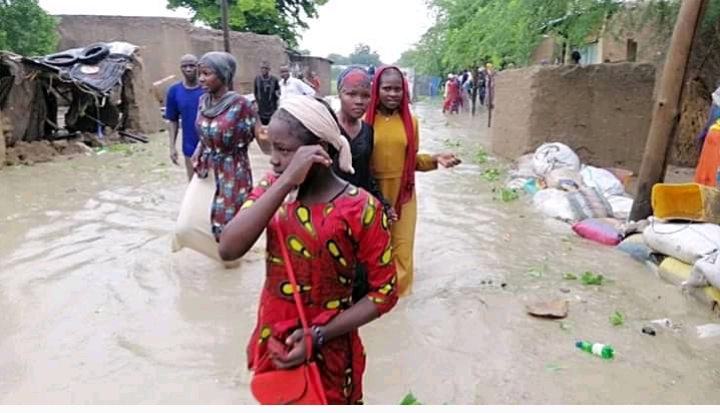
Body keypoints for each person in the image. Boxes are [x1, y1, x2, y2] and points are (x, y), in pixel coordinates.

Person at [218, 95, 399, 405]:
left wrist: (319, 336)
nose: (273, 159)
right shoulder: (273, 190)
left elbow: (385, 293)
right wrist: (287, 180)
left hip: (329, 339)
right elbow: (228, 249)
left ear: (321, 149)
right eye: (272, 147)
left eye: (284, 150)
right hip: (275, 336)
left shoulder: (361, 208)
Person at [367, 66, 461, 296]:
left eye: (397, 89)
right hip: (371, 193)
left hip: (404, 193)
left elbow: (411, 162)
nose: (392, 94)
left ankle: (398, 299)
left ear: (404, 91)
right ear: (377, 90)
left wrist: (436, 159)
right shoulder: (364, 121)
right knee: (374, 248)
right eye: (387, 88)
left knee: (402, 246)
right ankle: (372, 296)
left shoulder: (412, 122)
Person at [333, 66, 396, 302]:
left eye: (365, 95)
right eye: (351, 94)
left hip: (358, 213)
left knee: (361, 277)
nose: (359, 101)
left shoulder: (368, 131)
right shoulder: (325, 128)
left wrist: (384, 205)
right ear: (339, 93)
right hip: (329, 214)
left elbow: (366, 176)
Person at [192, 51, 269, 241]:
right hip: (207, 169)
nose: (200, 79)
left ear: (223, 74)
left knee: (228, 224)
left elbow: (262, 139)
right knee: (200, 221)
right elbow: (204, 133)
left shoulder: (242, 104)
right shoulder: (203, 102)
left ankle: (233, 263)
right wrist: (198, 152)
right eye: (199, 73)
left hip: (233, 171)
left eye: (206, 74)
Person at [166, 54, 204, 181]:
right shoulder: (174, 91)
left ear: (198, 67)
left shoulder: (207, 89)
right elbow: (172, 120)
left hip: (210, 144)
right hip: (189, 145)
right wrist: (172, 146)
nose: (188, 69)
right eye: (184, 66)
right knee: (193, 183)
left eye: (192, 66)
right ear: (180, 68)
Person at [254, 61, 281, 126]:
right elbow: (256, 92)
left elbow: (278, 93)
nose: (264, 70)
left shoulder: (274, 80)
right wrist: (256, 104)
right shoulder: (257, 79)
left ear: (269, 69)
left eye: (266, 68)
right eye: (262, 68)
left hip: (271, 109)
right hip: (261, 109)